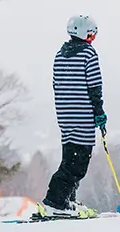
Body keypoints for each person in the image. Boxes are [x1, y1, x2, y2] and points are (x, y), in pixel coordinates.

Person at [36, 14, 107, 218]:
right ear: (85, 34)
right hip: (82, 114)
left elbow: (57, 85)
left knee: (70, 158)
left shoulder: (60, 54)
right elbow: (94, 86)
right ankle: (55, 202)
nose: (93, 39)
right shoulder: (88, 54)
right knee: (77, 164)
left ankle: (68, 200)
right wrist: (99, 111)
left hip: (65, 115)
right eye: (92, 35)